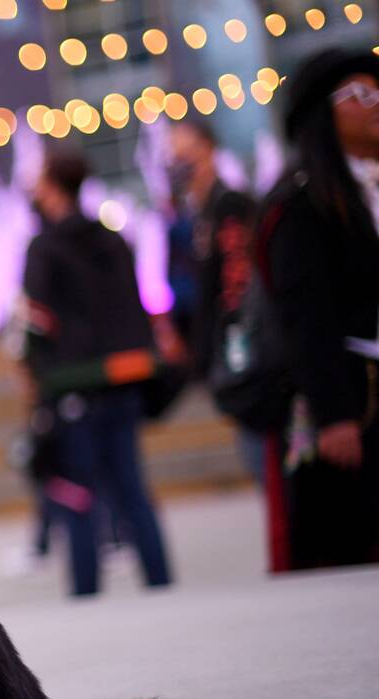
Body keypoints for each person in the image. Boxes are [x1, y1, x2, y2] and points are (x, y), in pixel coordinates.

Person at [20, 152, 172, 597]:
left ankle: (87, 593)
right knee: (132, 489)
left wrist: (37, 375)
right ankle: (160, 582)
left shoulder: (44, 246)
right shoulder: (112, 238)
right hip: (123, 380)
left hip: (73, 387)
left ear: (50, 186)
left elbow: (35, 320)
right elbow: (137, 304)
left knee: (76, 494)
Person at [257, 49, 379, 570]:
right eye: (362, 95)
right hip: (355, 398)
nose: (376, 106)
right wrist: (334, 415)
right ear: (321, 111)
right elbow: (305, 318)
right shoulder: (302, 202)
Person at [166, 120, 269, 480]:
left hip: (248, 359)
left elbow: (236, 288)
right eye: (172, 155)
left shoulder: (228, 206)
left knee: (263, 459)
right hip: (228, 355)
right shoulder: (198, 215)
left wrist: (231, 350)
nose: (177, 162)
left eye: (184, 152)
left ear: (207, 150)